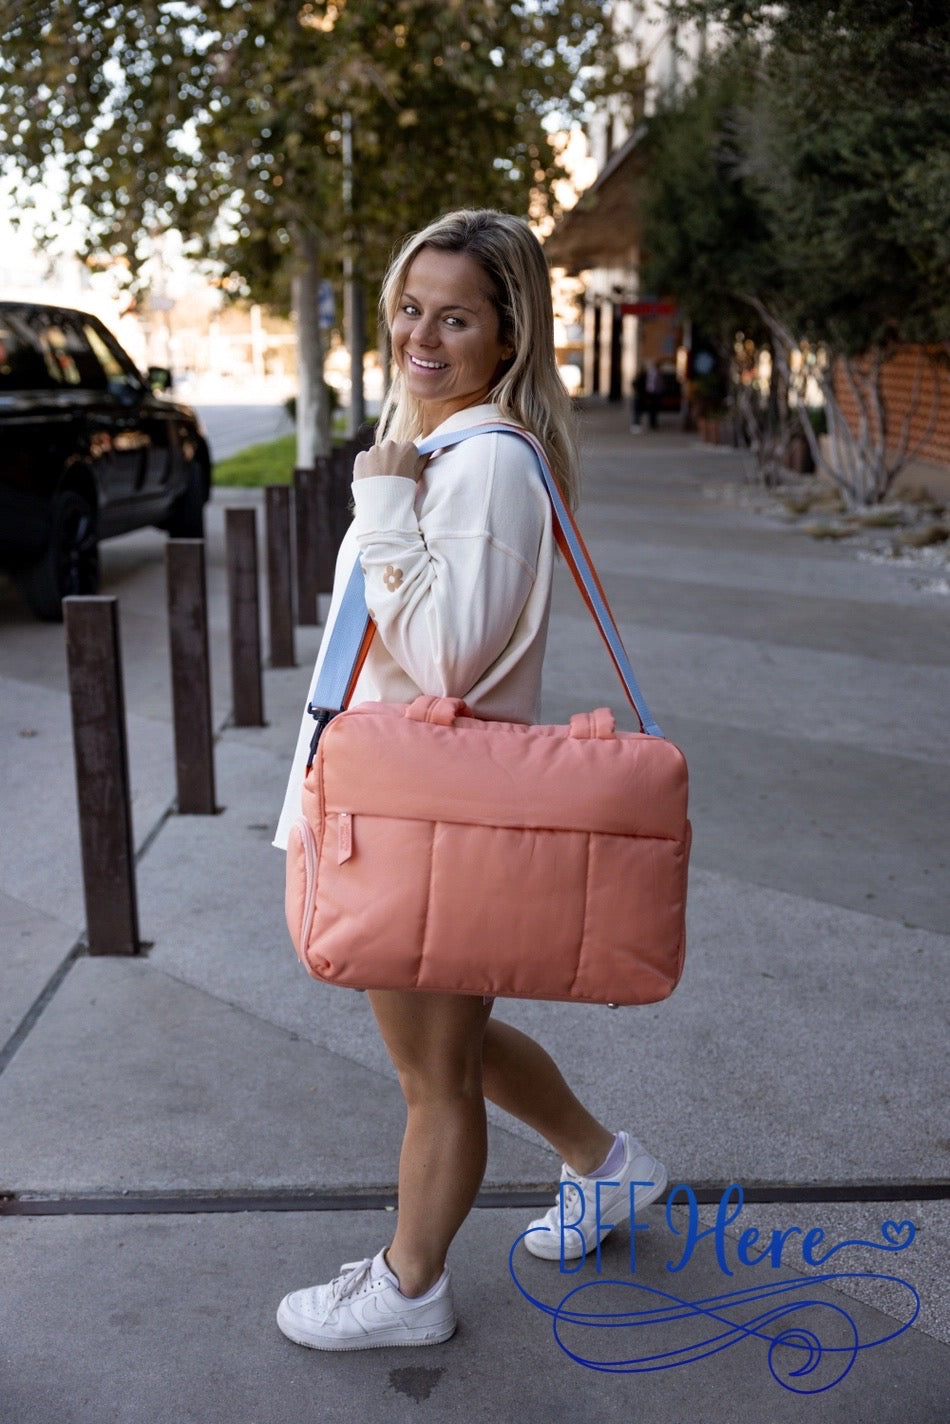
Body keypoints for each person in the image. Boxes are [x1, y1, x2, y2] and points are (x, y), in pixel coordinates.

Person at [272, 209, 667, 1352]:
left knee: (431, 1072)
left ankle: (410, 1287)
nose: (419, 335)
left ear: (508, 333)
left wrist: (383, 502)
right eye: (409, 308)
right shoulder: (445, 446)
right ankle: (603, 1161)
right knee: (450, 1046)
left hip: (424, 816)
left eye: (454, 317)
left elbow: (445, 656)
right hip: (397, 807)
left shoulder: (486, 462)